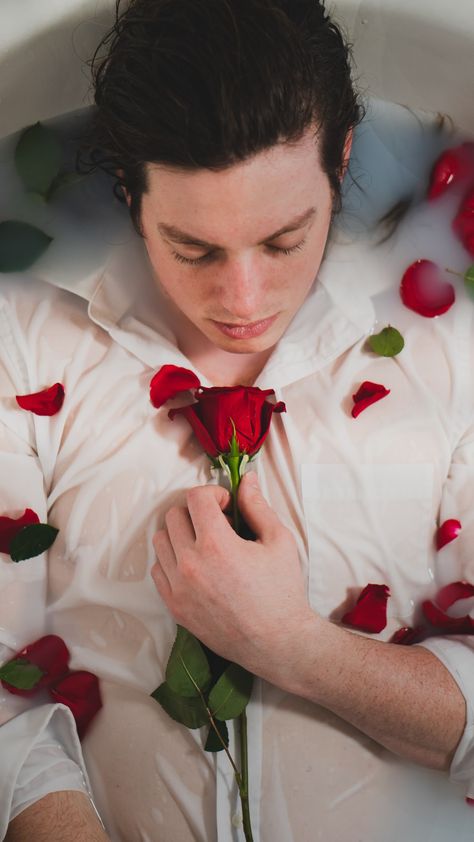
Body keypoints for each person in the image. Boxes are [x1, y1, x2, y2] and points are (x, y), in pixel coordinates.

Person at [1, 0, 474, 840]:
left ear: (343, 163)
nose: (244, 301)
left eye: (285, 239)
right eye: (195, 249)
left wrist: (288, 643)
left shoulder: (449, 352)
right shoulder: (25, 339)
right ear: (127, 187)